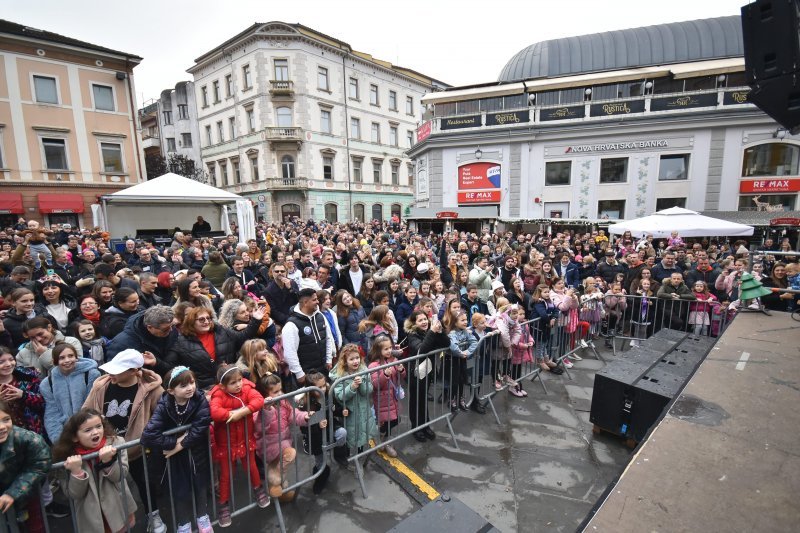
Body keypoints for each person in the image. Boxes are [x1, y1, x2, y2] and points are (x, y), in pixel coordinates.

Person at [82, 349, 166, 533]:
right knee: (110, 489)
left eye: (118, 370)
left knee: (144, 483)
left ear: (134, 371)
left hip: (137, 450)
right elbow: (86, 411)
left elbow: (161, 418)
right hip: (104, 450)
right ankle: (119, 524)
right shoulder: (101, 386)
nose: (111, 373)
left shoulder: (153, 390)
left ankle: (153, 515)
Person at [141, 367, 213, 533]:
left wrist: (180, 445)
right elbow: (148, 435)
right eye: (183, 385)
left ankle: (202, 517)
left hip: (197, 453)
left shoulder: (199, 399)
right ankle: (184, 524)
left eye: (192, 382)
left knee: (200, 486)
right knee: (180, 491)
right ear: (171, 390)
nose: (190, 388)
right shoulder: (164, 404)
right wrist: (172, 442)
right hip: (174, 460)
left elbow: (201, 426)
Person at [52, 408, 137, 533]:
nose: (95, 432)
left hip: (117, 509)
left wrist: (108, 462)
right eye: (88, 430)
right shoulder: (66, 457)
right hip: (92, 516)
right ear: (75, 437)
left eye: (98, 426)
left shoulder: (116, 443)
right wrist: (76, 472)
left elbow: (120, 475)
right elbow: (73, 494)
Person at [209, 365, 270, 526]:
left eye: (239, 380)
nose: (238, 385)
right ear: (222, 386)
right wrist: (232, 414)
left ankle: (258, 489)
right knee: (226, 475)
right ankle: (223, 505)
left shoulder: (246, 388)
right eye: (233, 382)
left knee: (251, 467)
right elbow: (215, 412)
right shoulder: (218, 395)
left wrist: (241, 412)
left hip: (245, 439)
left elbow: (259, 400)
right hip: (226, 444)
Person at [165, 305, 264, 390]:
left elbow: (242, 337)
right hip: (205, 389)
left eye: (208, 318)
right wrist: (155, 362)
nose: (206, 321)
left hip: (229, 383)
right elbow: (170, 366)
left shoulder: (221, 331)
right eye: (201, 319)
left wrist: (256, 320)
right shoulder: (181, 341)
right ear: (191, 322)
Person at [254, 373, 309, 501]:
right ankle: (274, 483)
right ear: (265, 394)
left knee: (282, 468)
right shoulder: (259, 408)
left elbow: (293, 415)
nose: (280, 394)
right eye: (275, 391)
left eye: (280, 390)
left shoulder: (283, 402)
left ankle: (281, 492)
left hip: (284, 441)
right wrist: (266, 410)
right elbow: (258, 427)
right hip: (269, 446)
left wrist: (304, 416)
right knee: (286, 458)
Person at [0, 399, 52, 533]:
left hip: (27, 498)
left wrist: (13, 492)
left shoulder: (28, 439)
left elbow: (41, 463)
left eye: (6, 419)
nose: (2, 427)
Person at [40, 343, 100, 442]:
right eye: (62, 358)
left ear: (76, 357)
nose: (67, 360)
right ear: (55, 361)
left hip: (91, 429)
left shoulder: (91, 374)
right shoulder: (47, 384)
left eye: (71, 356)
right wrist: (60, 439)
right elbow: (52, 413)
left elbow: (93, 405)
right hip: (66, 432)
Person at [404, 310, 449, 441]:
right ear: (414, 323)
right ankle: (416, 428)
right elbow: (421, 349)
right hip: (415, 373)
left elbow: (446, 344)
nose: (424, 322)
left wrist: (440, 333)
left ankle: (425, 425)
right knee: (416, 400)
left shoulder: (430, 331)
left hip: (427, 371)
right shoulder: (412, 335)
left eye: (425, 319)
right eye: (420, 320)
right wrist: (432, 332)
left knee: (423, 399)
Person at [330, 344, 378, 454]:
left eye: (357, 358)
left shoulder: (364, 371)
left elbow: (369, 390)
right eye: (351, 359)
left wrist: (361, 384)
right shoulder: (339, 376)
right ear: (345, 361)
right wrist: (351, 387)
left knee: (363, 435)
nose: (355, 361)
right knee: (351, 436)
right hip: (349, 413)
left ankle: (360, 454)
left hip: (363, 410)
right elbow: (340, 396)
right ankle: (346, 456)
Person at [282, 288, 333, 386]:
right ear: (305, 302)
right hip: (306, 375)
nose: (318, 302)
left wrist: (328, 359)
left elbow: (328, 339)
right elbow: (290, 352)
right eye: (314, 300)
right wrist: (299, 374)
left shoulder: (320, 317)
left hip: (323, 370)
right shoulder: (291, 324)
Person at [367, 337, 406, 457]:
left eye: (390, 348)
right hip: (382, 399)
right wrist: (384, 374)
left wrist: (401, 370)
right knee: (386, 421)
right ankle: (386, 441)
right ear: (378, 350)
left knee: (394, 420)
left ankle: (384, 438)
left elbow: (402, 377)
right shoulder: (373, 365)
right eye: (385, 349)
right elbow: (375, 384)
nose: (389, 351)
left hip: (392, 398)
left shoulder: (392, 360)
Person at [15, 316, 82, 374]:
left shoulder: (72, 342)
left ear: (49, 327)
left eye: (40, 334)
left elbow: (76, 369)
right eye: (32, 337)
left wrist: (45, 354)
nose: (38, 339)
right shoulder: (23, 354)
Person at [446, 311, 478, 411]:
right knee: (454, 381)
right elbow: (454, 347)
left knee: (463, 380)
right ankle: (452, 400)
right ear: (455, 322)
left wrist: (467, 352)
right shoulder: (452, 333)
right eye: (462, 320)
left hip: (462, 360)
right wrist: (461, 353)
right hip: (453, 361)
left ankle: (461, 399)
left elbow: (474, 341)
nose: (465, 322)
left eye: (466, 320)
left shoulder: (465, 331)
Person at [509, 305, 533, 398]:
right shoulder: (513, 326)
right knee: (514, 370)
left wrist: (531, 341)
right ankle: (513, 387)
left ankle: (518, 385)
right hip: (515, 352)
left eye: (523, 314)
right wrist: (524, 345)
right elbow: (514, 340)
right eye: (520, 314)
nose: (522, 316)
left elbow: (528, 335)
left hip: (521, 352)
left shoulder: (525, 324)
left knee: (519, 369)